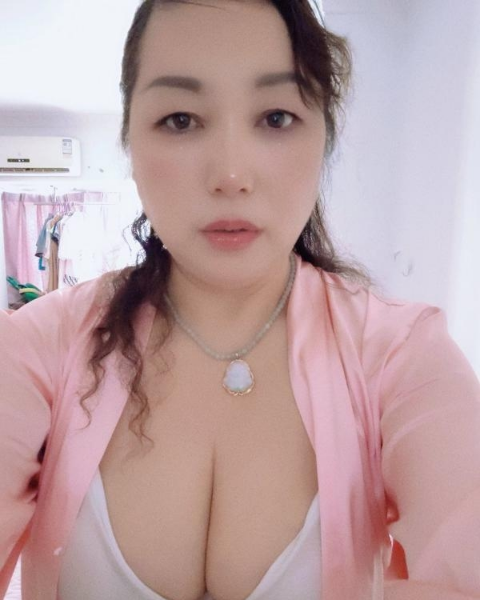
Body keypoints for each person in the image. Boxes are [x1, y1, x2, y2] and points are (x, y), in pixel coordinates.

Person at [1, 0, 480, 599]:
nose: (231, 175)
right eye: (180, 119)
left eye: (276, 117)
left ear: (325, 136)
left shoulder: (402, 357)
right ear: (130, 140)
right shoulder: (37, 347)